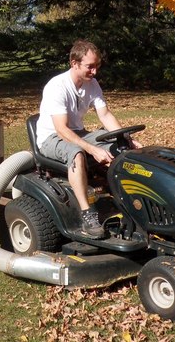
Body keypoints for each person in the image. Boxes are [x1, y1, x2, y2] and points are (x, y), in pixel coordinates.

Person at [35, 40, 141, 239]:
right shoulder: (57, 87)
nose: (94, 72)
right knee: (76, 154)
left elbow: (105, 115)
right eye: (90, 66)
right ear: (74, 63)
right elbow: (61, 130)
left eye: (97, 66)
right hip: (51, 137)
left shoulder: (91, 83)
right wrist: (92, 150)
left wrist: (126, 138)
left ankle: (130, 200)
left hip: (77, 132)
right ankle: (87, 215)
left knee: (121, 146)